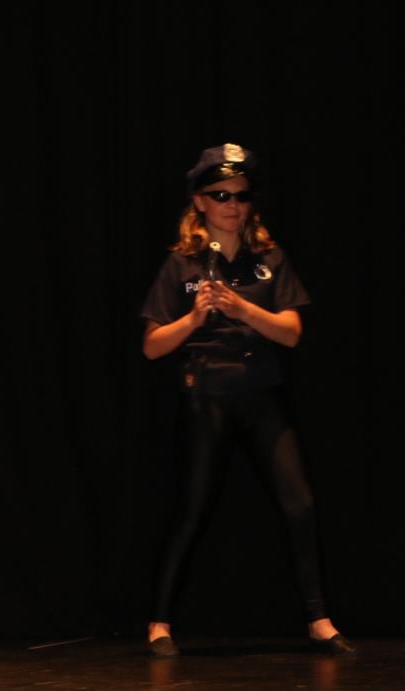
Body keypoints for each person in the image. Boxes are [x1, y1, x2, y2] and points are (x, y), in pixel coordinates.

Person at [139, 143, 355, 657]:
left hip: (261, 394)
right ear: (199, 202)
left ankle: (319, 620)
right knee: (192, 510)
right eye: (221, 195)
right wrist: (194, 319)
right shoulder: (182, 265)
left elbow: (292, 333)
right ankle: (159, 623)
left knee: (300, 503)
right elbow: (151, 346)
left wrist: (241, 310)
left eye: (241, 196)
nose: (233, 205)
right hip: (208, 396)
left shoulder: (268, 259)